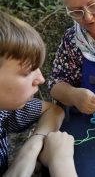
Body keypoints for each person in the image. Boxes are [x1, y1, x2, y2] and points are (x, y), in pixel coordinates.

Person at [0, 11, 77, 177]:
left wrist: (31, 147)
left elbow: (53, 110)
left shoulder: (3, 110)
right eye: (27, 71)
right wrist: (61, 162)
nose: (40, 79)